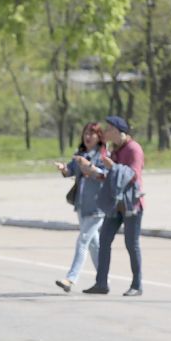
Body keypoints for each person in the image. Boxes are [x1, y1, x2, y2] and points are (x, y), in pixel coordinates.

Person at [81, 115, 145, 296]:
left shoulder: (134, 149)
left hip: (131, 203)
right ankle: (101, 283)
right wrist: (93, 171)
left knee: (131, 244)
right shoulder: (115, 150)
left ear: (117, 131)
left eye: (109, 129)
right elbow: (111, 178)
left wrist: (113, 166)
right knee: (104, 240)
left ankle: (137, 285)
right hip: (115, 203)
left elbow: (132, 175)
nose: (106, 132)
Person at [53, 122, 108, 292]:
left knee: (83, 240)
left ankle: (71, 279)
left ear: (99, 137)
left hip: (97, 207)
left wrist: (89, 166)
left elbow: (105, 175)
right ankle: (102, 281)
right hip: (82, 205)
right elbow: (70, 171)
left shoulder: (103, 155)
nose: (88, 136)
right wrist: (63, 168)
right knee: (94, 244)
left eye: (92, 133)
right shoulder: (80, 155)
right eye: (86, 133)